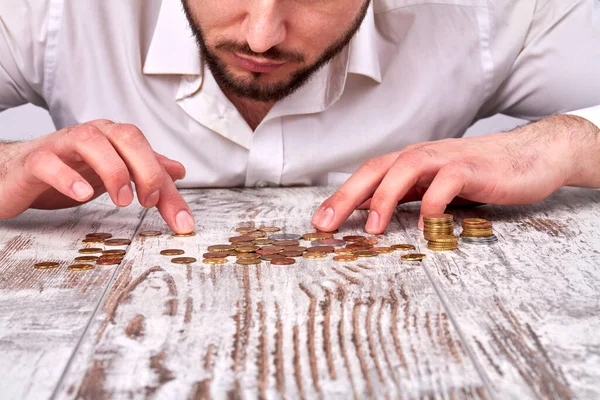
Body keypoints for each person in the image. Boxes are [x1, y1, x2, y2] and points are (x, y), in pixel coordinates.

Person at [0, 0, 598, 234]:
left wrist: (560, 144)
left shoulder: (486, 16)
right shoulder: (51, 10)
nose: (262, 36)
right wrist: (9, 161)